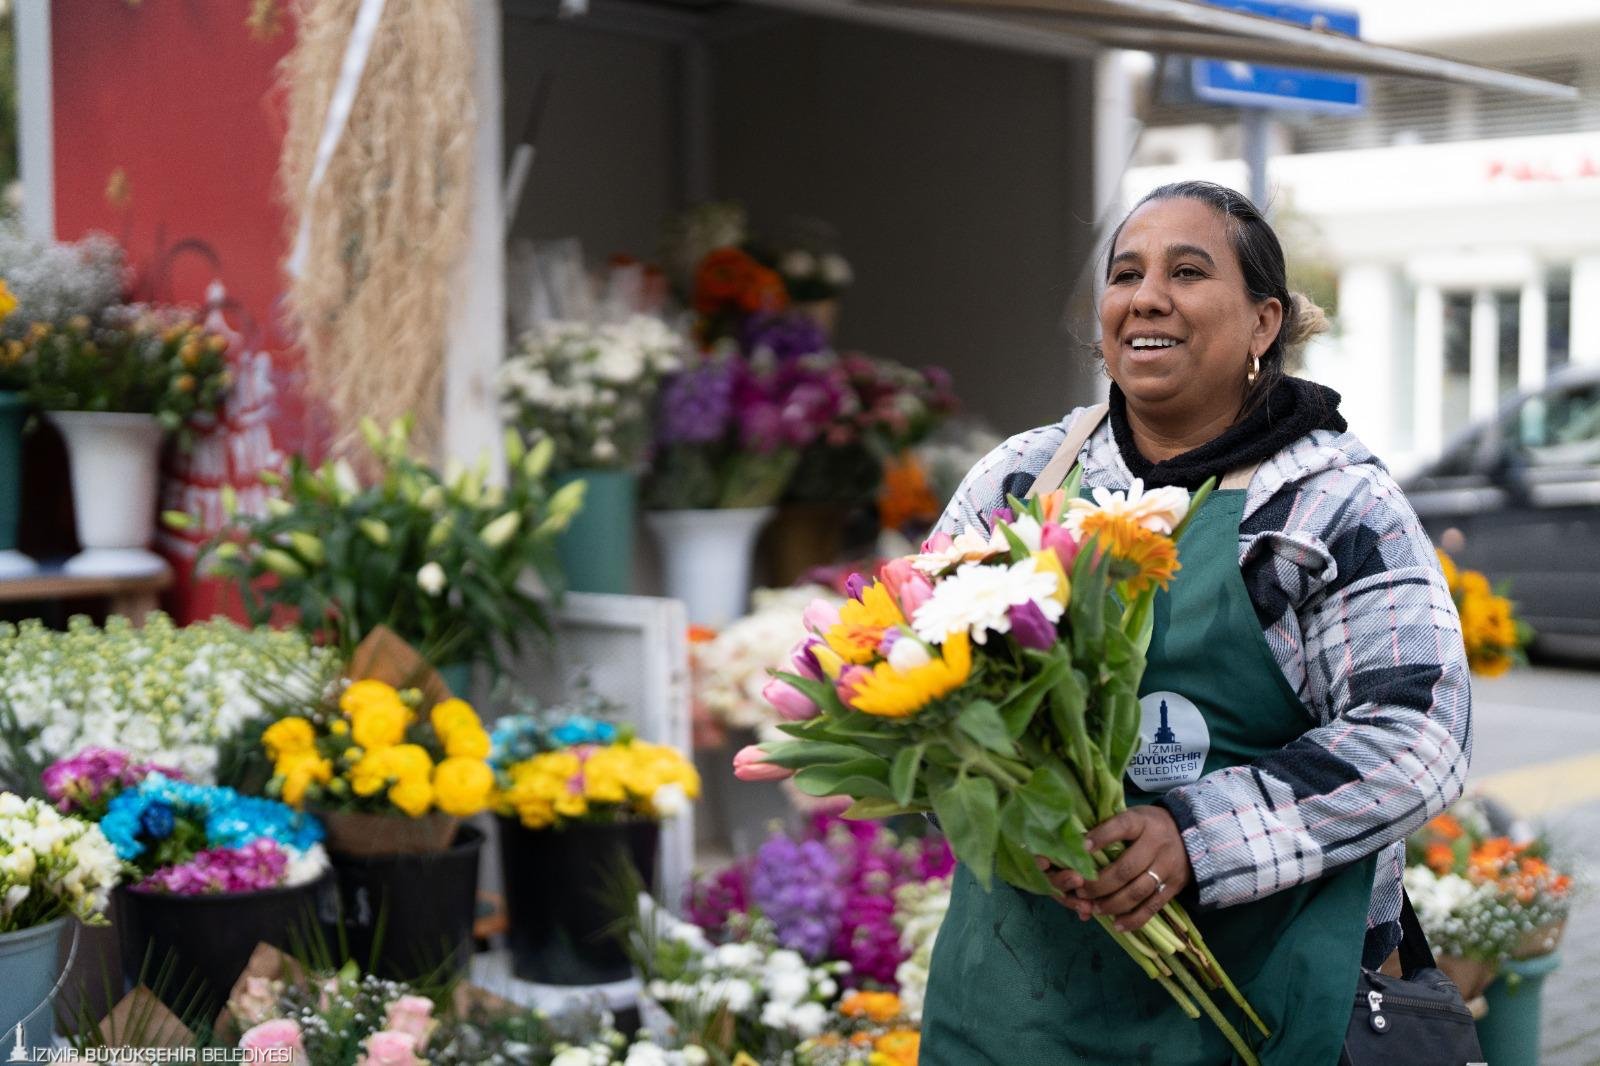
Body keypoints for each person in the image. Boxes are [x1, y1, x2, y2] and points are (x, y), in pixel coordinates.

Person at [918, 180, 1472, 1065]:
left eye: (1187, 271)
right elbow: (911, 664)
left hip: (1260, 1002)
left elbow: (1418, 736)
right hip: (1023, 1004)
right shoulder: (1023, 482)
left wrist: (1194, 836)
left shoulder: (1330, 503)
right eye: (1126, 273)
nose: (1146, 296)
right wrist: (1017, 815)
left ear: (1263, 324)